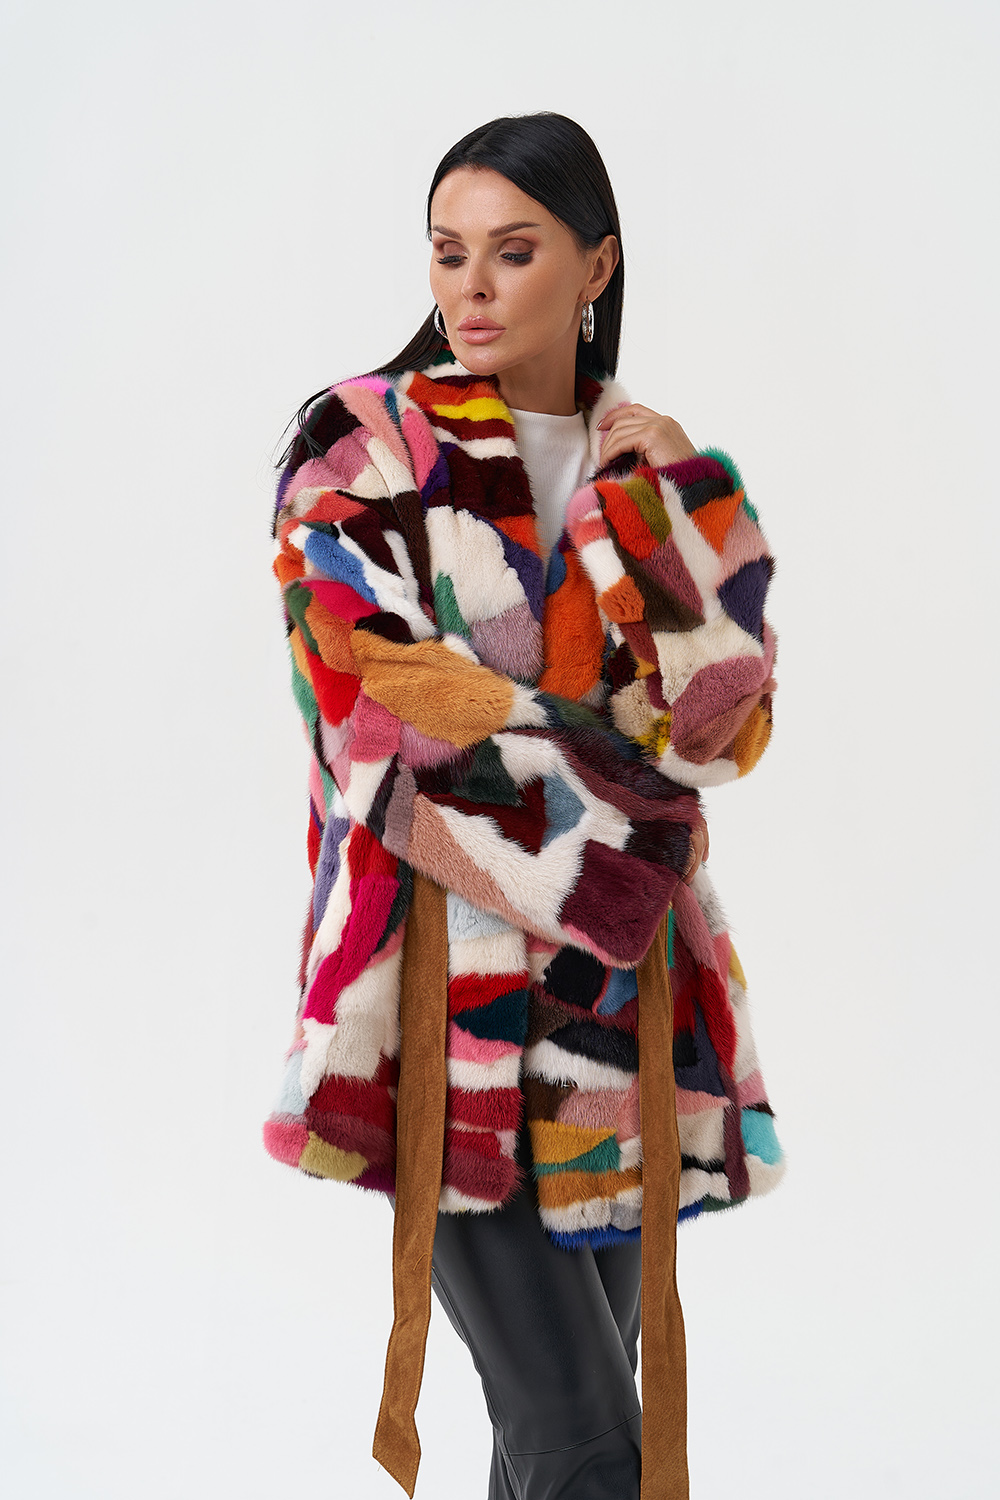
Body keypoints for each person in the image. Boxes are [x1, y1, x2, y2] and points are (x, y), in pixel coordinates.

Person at [263, 112, 786, 1500]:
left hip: (622, 1029)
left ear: (596, 266)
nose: (472, 288)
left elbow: (720, 727)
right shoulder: (361, 448)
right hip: (441, 1011)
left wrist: (676, 511)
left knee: (544, 1459)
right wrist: (633, 833)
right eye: (449, 254)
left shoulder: (645, 463)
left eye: (513, 251)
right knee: (588, 1453)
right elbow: (378, 723)